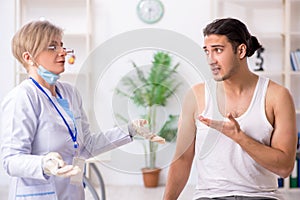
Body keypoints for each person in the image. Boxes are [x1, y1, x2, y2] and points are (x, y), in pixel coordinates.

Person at [0, 20, 159, 200]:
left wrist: (130, 130)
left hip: (73, 193)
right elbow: (11, 160)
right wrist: (44, 164)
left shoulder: (70, 93)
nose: (62, 52)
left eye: (61, 45)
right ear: (29, 58)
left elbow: (86, 146)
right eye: (52, 47)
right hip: (39, 195)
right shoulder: (23, 97)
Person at [163, 18, 298, 200]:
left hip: (262, 196)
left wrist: (239, 137)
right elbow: (182, 160)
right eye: (207, 52)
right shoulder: (196, 96)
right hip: (210, 196)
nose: (211, 60)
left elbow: (284, 168)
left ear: (241, 50)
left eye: (218, 50)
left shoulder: (277, 96)